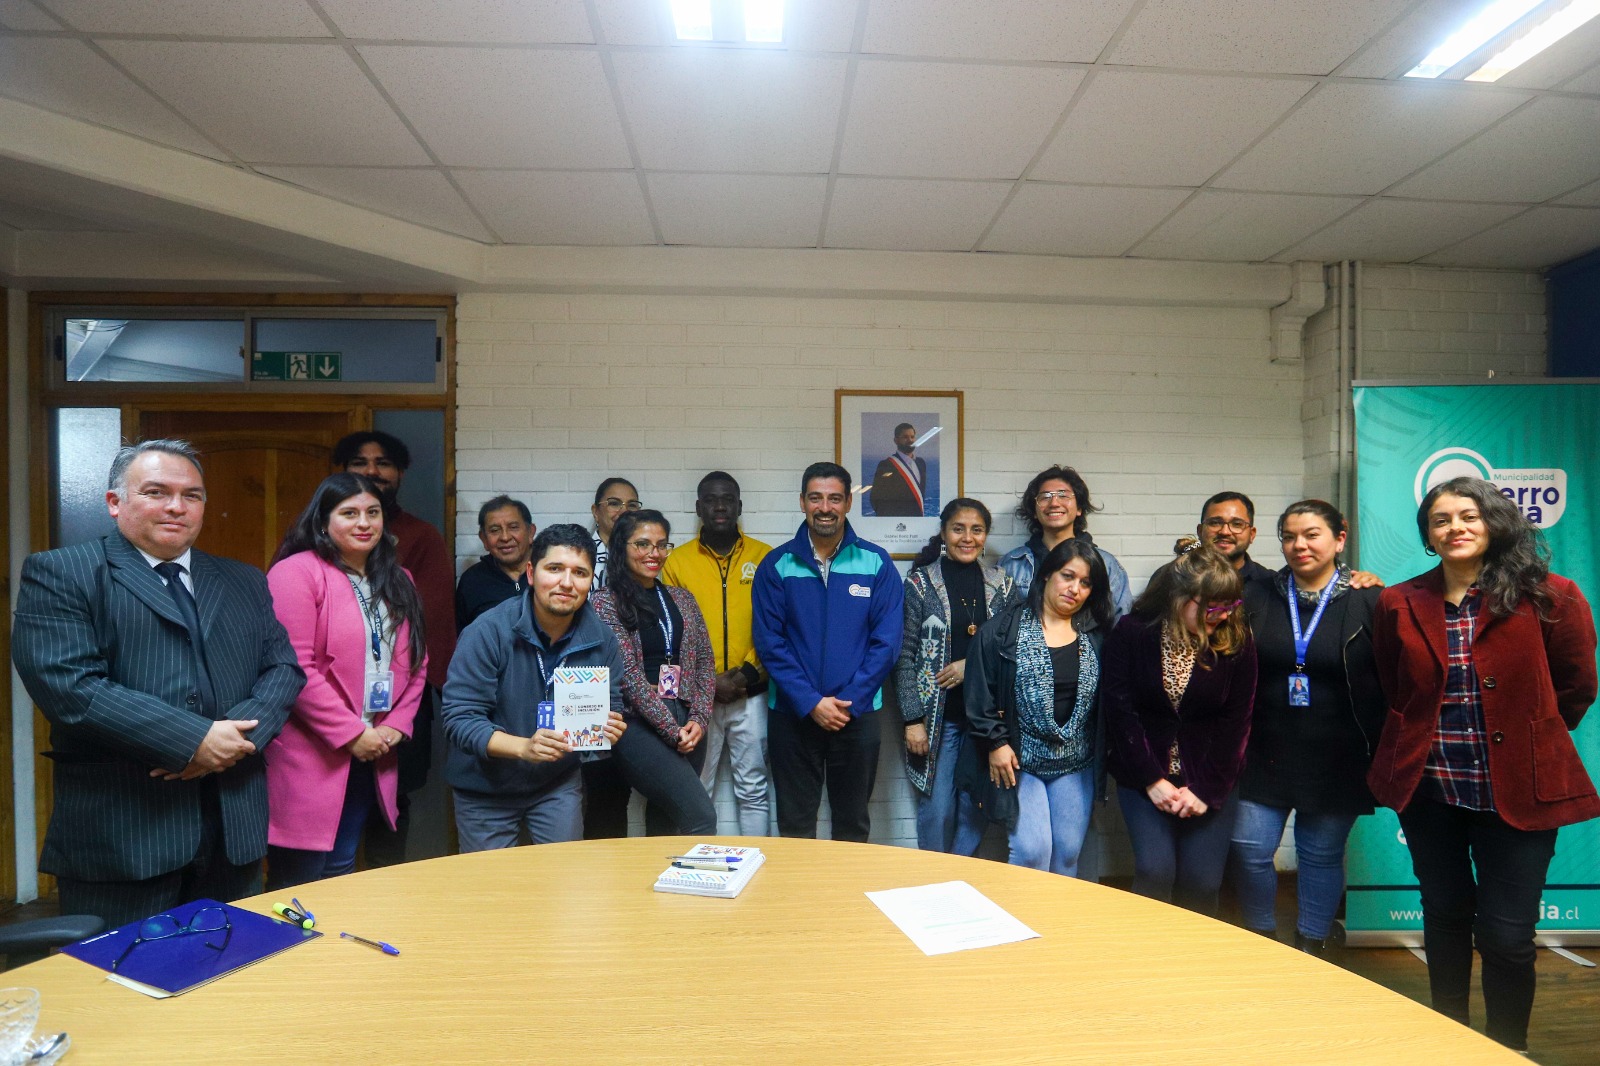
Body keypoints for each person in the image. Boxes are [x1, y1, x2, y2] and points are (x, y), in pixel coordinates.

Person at [11, 440, 304, 927]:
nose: (176, 506)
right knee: (124, 970)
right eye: (156, 492)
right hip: (125, 834)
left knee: (233, 965)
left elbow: (283, 670)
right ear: (115, 502)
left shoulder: (243, 579)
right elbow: (70, 687)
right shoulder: (63, 572)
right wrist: (194, 740)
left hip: (232, 826)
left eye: (192, 495)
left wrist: (230, 741)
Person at [1369, 477, 1598, 1053]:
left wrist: (1530, 740)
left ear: (1494, 522)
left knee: (1507, 934)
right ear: (1428, 534)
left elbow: (1576, 685)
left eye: (1468, 516)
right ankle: (1449, 1040)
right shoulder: (1399, 602)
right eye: (1441, 520)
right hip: (1432, 790)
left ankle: (1506, 1048)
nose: (1455, 528)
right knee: (1445, 917)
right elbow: (1393, 687)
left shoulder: (1552, 595)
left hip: (1519, 791)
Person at [1230, 500, 1385, 954]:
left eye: (1312, 534)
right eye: (1289, 536)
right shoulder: (1257, 595)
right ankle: (1261, 941)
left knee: (1320, 856)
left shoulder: (1370, 599)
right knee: (1250, 849)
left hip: (1338, 755)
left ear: (1340, 539)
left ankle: (1311, 946)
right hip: (1264, 749)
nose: (1299, 545)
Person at [264, 473, 428, 890]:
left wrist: (395, 725)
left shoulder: (399, 578)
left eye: (373, 512)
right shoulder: (295, 573)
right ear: (323, 521)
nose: (364, 523)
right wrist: (352, 733)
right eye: (349, 513)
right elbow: (295, 666)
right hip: (314, 752)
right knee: (300, 882)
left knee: (341, 871)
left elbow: (418, 662)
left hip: (374, 750)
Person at [440, 524, 628, 851]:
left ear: (591, 581)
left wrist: (610, 725)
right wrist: (524, 748)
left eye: (580, 573)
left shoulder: (602, 638)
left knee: (563, 875)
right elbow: (460, 719)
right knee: (494, 881)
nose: (566, 582)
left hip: (556, 782)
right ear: (531, 573)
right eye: (554, 569)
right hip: (485, 786)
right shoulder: (488, 631)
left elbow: (612, 703)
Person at [1103, 541, 1256, 915]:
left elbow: (1236, 724)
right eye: (1211, 607)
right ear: (1178, 598)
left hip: (1209, 775)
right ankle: (1147, 951)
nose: (1222, 616)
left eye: (1230, 606)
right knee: (1155, 872)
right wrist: (1151, 780)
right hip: (1144, 775)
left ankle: (1194, 954)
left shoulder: (1236, 639)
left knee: (1201, 881)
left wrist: (1205, 790)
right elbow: (1120, 712)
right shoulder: (1132, 632)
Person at [753, 462, 904, 841]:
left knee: (853, 825)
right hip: (792, 715)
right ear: (802, 502)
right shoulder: (776, 565)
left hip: (857, 715)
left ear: (848, 503)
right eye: (816, 498)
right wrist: (810, 702)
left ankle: (845, 887)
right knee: (795, 825)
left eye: (834, 498)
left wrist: (848, 701)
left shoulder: (876, 563)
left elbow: (887, 643)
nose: (825, 508)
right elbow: (770, 643)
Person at [334, 429, 455, 866]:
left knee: (392, 803)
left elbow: (431, 621)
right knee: (331, 805)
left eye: (383, 463)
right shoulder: (314, 541)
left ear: (400, 473)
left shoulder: (421, 536)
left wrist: (414, 703)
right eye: (359, 463)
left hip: (402, 700)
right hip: (332, 701)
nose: (372, 471)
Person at [967, 539, 1112, 876]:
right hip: (1020, 760)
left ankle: (1056, 913)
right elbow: (979, 694)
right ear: (1047, 574)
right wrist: (996, 742)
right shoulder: (1003, 631)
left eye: (1085, 582)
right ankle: (1023, 911)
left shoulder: (1097, 635)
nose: (1074, 589)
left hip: (1076, 760)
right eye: (1067, 576)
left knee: (1068, 853)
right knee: (1032, 852)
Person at [893, 498, 1019, 854]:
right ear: (944, 533)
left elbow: (1014, 648)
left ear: (985, 535)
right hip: (940, 720)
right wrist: (912, 720)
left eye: (976, 530)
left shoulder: (1002, 586)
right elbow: (903, 656)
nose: (967, 538)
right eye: (958, 529)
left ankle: (960, 876)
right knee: (938, 811)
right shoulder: (919, 584)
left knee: (974, 808)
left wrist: (970, 666)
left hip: (986, 721)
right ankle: (933, 879)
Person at [590, 510, 719, 836]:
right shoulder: (605, 602)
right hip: (638, 724)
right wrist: (671, 731)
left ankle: (664, 873)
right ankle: (699, 873)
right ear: (621, 547)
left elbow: (705, 661)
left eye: (662, 545)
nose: (655, 553)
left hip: (687, 720)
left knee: (667, 821)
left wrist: (699, 719)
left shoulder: (681, 598)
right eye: (643, 544)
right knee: (701, 816)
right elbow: (628, 675)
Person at [662, 471, 773, 836]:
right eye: (711, 500)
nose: (720, 506)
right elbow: (672, 635)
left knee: (753, 788)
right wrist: (707, 683)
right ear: (698, 508)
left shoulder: (765, 557)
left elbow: (776, 626)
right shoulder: (676, 563)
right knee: (697, 788)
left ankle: (757, 860)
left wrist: (746, 675)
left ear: (740, 506)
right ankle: (696, 863)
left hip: (751, 693)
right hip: (697, 701)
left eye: (728, 499)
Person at [1000, 465, 1131, 618]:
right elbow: (998, 623)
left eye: (1063, 495)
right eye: (1045, 497)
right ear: (1034, 511)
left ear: (1079, 508)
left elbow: (1120, 624)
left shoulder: (1107, 564)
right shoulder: (1012, 564)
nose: (1054, 503)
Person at [456, 495, 537, 630]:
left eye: (513, 527)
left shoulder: (551, 573)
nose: (505, 537)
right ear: (484, 539)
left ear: (530, 532)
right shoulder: (472, 581)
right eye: (494, 530)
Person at [589, 476, 640, 590]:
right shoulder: (581, 555)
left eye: (632, 505)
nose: (624, 511)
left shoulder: (644, 556)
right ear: (596, 511)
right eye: (614, 503)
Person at [869, 422, 928, 517]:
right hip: (896, 521)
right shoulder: (886, 465)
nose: (910, 440)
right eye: (905, 437)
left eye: (912, 437)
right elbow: (876, 499)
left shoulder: (921, 463)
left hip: (917, 521)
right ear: (896, 440)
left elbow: (921, 495)